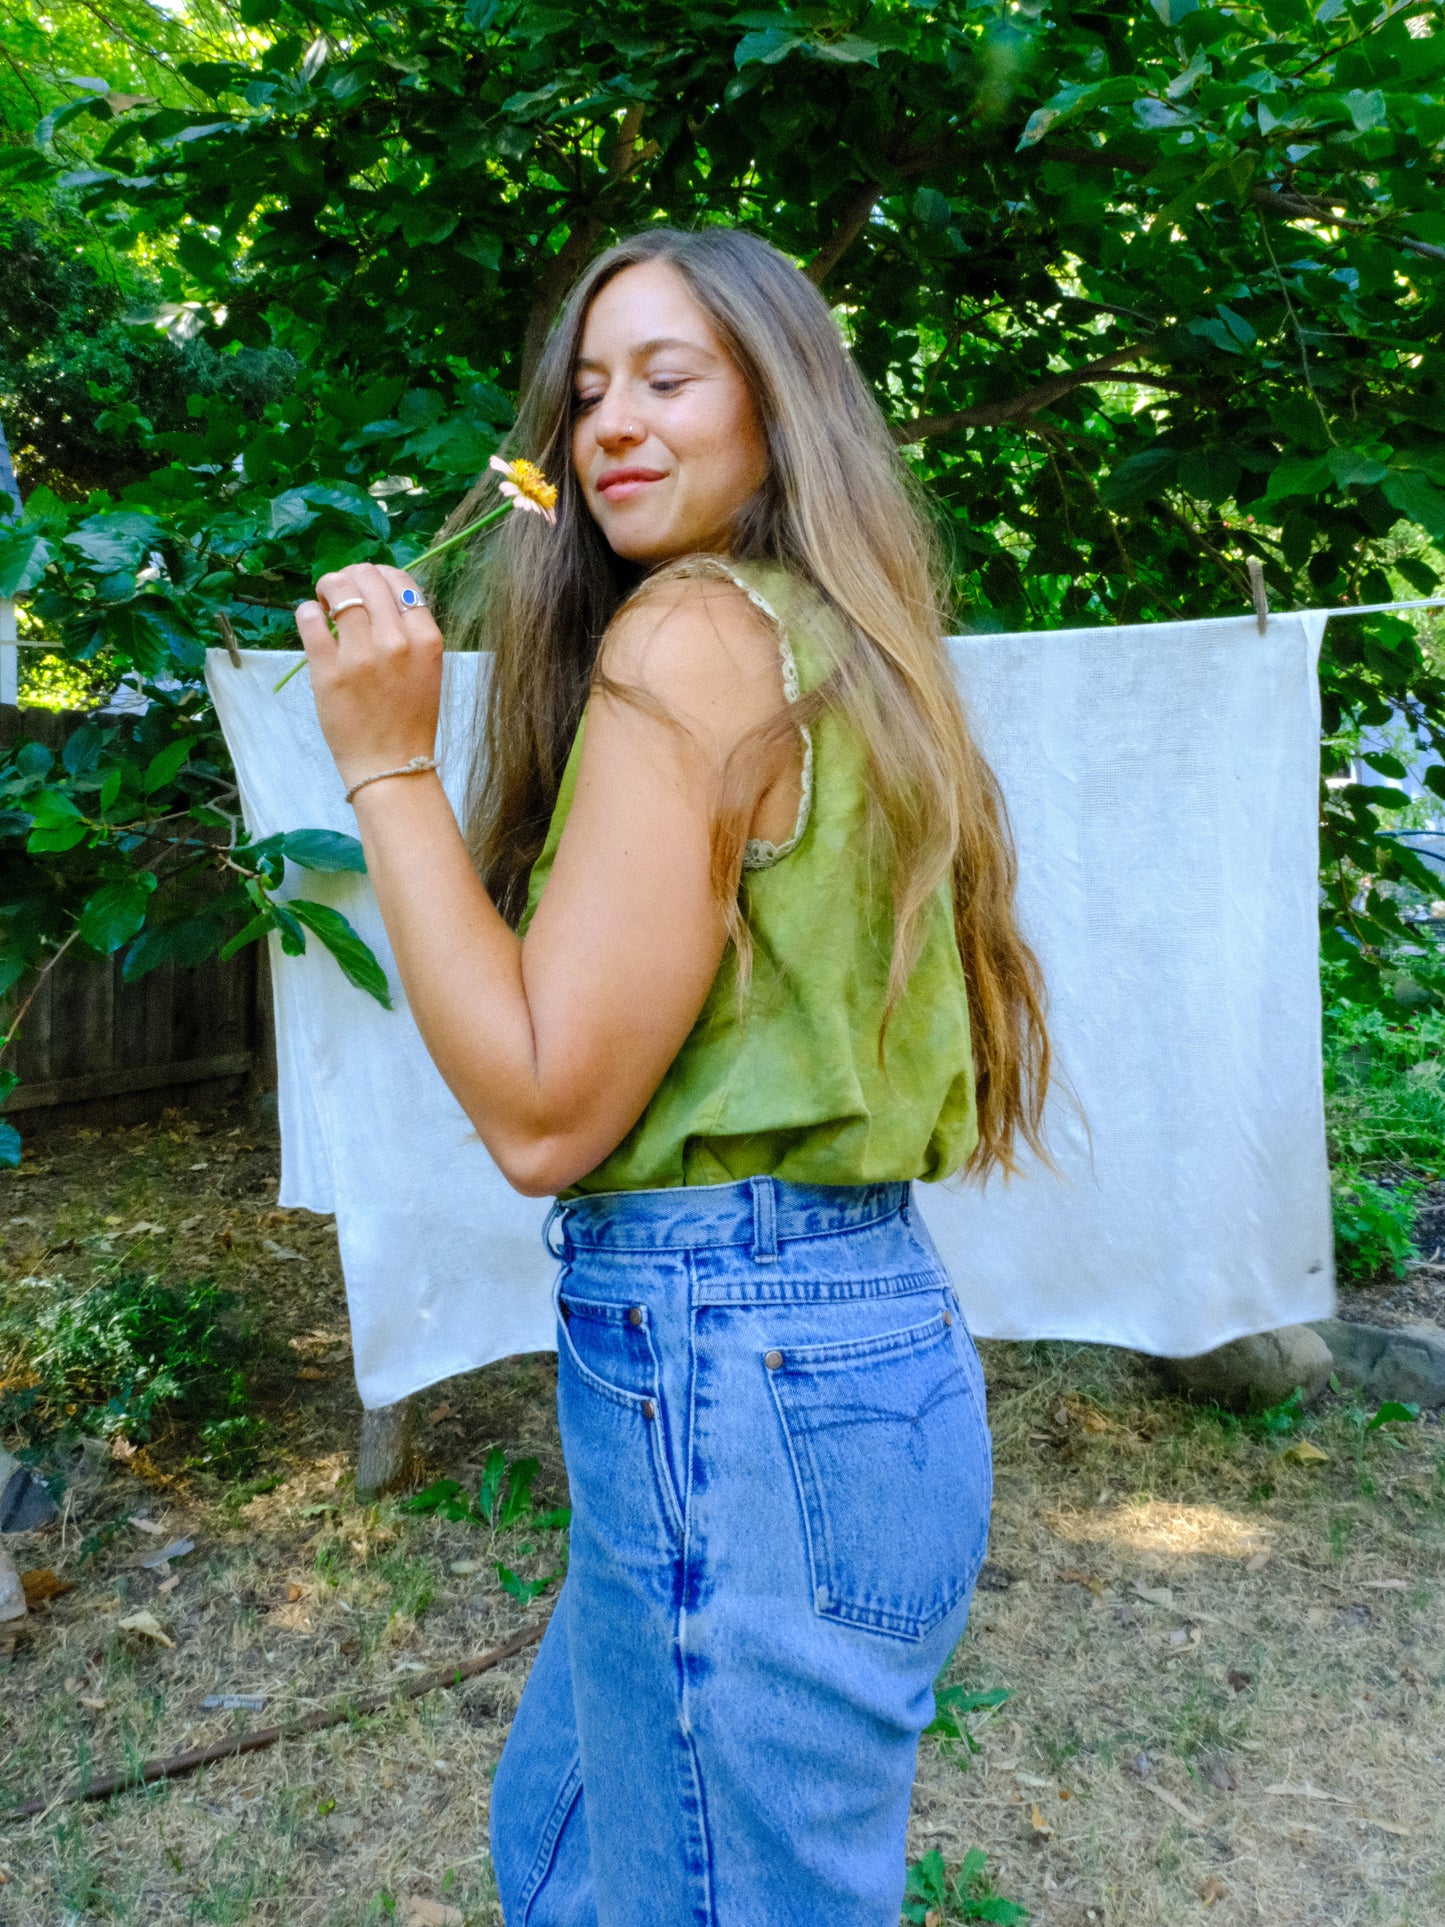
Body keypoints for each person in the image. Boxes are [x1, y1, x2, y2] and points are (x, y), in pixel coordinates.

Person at [294, 225, 1049, 1927]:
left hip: (741, 1372)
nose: (608, 424)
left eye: (668, 376)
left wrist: (387, 760)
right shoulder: (842, 640)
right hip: (845, 1357)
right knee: (564, 1857)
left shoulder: (692, 638)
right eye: (583, 394)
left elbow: (545, 1111)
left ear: (779, 407)